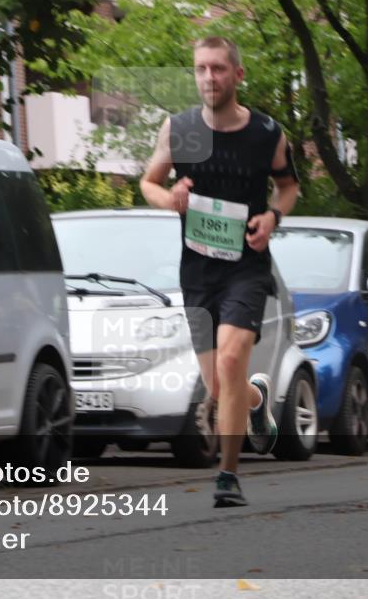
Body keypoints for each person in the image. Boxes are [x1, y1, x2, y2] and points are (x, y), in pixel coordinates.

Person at [139, 36, 299, 507]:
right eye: (201, 69)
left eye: (218, 69)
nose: (209, 78)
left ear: (237, 75)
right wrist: (170, 199)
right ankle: (254, 402)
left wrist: (272, 218)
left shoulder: (267, 133)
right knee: (217, 385)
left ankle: (228, 475)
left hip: (247, 267)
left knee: (231, 363)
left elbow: (287, 187)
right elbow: (149, 182)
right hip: (198, 270)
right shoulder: (181, 129)